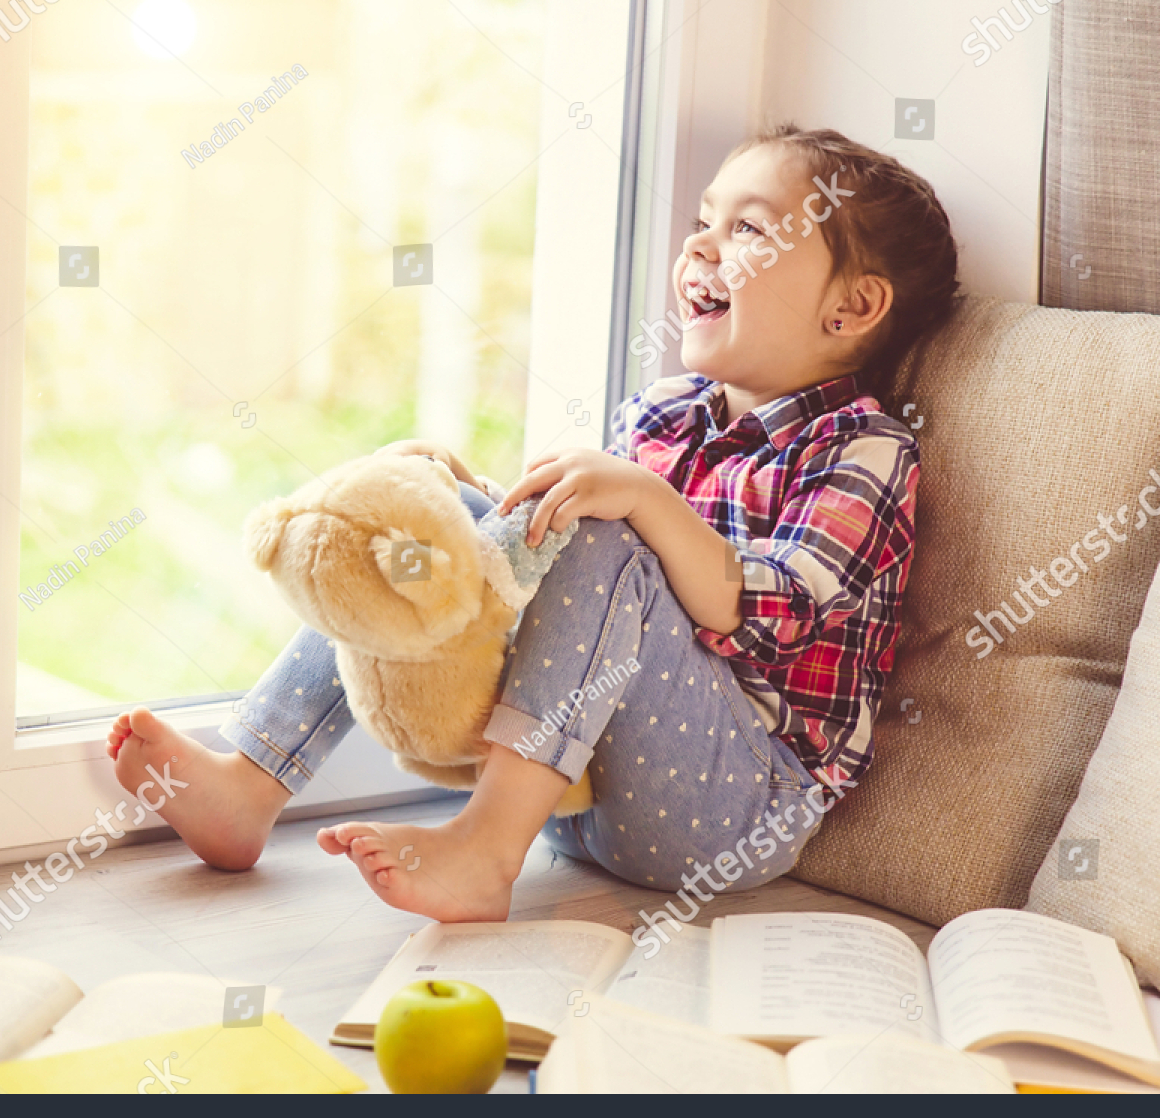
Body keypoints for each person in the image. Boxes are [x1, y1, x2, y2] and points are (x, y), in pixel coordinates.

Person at [107, 124, 959, 922]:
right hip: (580, 788)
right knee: (419, 522)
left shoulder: (865, 449)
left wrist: (642, 503)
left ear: (851, 309)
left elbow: (764, 612)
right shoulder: (663, 415)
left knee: (605, 528)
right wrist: (460, 506)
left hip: (731, 812)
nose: (700, 245)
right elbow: (554, 580)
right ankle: (251, 783)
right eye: (704, 221)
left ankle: (485, 849)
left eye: (749, 230)